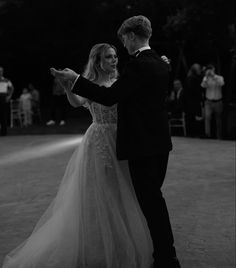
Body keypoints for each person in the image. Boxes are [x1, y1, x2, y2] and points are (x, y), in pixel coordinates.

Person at [2, 43, 154, 268]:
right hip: (99, 139)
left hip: (121, 139)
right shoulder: (90, 84)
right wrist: (67, 87)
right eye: (109, 57)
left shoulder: (120, 83)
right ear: (97, 61)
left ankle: (123, 244)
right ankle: (101, 247)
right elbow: (77, 102)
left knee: (124, 191)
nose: (114, 60)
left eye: (114, 57)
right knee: (100, 193)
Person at [51, 15, 181, 268]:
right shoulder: (161, 64)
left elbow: (110, 97)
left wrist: (76, 79)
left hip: (140, 145)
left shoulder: (137, 66)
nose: (123, 49)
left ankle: (166, 258)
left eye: (123, 41)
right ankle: (164, 255)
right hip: (159, 144)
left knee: (149, 202)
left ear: (131, 36)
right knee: (151, 200)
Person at [201, 64, 225, 139]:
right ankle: (207, 135)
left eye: (211, 69)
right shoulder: (206, 78)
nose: (210, 71)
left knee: (218, 119)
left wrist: (214, 76)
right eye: (208, 69)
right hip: (208, 102)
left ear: (214, 69)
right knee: (207, 117)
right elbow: (203, 86)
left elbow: (222, 84)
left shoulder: (219, 77)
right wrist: (206, 77)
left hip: (218, 102)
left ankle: (219, 136)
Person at [183, 63, 204, 137]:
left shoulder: (191, 77)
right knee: (194, 118)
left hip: (191, 101)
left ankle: (193, 133)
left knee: (193, 118)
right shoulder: (193, 78)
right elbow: (194, 90)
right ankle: (194, 133)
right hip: (193, 101)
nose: (200, 70)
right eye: (198, 69)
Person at [0, 66, 14, 136]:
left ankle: (3, 132)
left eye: (1, 71)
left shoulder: (6, 80)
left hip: (3, 98)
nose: (0, 72)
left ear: (3, 72)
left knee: (3, 115)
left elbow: (11, 88)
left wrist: (9, 96)